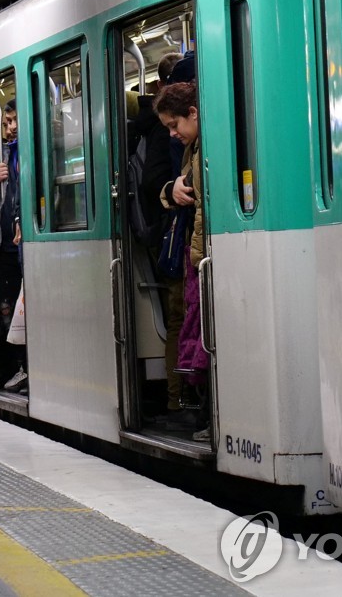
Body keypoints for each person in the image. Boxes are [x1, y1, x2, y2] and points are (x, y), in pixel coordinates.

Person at [153, 75, 210, 442]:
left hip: (204, 257)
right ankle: (206, 414)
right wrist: (170, 189)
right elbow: (178, 189)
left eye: (175, 125)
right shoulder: (193, 148)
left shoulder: (208, 145)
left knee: (203, 340)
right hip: (197, 258)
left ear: (192, 112)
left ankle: (209, 415)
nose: (173, 134)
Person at [135, 52, 188, 421]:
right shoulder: (161, 130)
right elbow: (153, 178)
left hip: (182, 233)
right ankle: (178, 399)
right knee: (180, 315)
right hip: (174, 233)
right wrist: (172, 189)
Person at [0, 99, 28, 393]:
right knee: (10, 308)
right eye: (6, 123)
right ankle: (18, 366)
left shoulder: (29, 150)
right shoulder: (3, 155)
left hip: (22, 244)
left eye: (14, 121)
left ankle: (27, 366)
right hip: (6, 246)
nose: (10, 128)